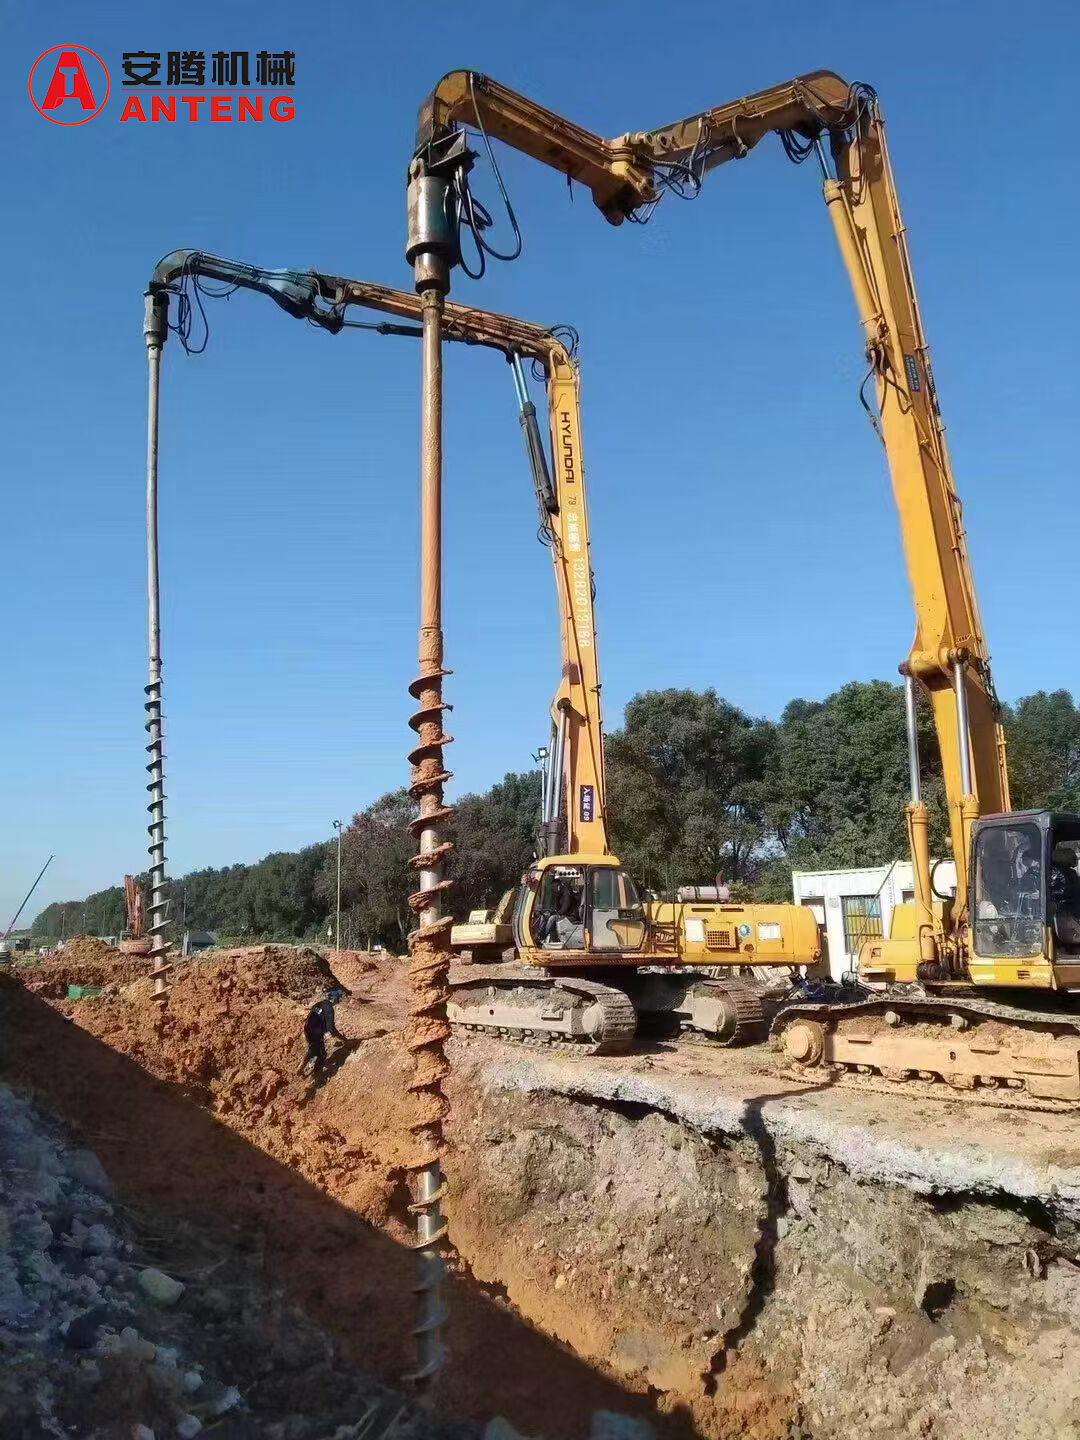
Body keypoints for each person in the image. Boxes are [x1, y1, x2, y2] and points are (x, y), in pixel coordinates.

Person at [298, 987, 346, 1077]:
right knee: (322, 1053)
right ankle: (317, 1075)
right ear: (335, 999)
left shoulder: (319, 1004)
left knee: (314, 1047)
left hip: (307, 1028)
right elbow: (330, 1028)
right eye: (338, 999)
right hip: (316, 1031)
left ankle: (304, 1065)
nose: (338, 1001)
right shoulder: (329, 1008)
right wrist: (342, 1038)